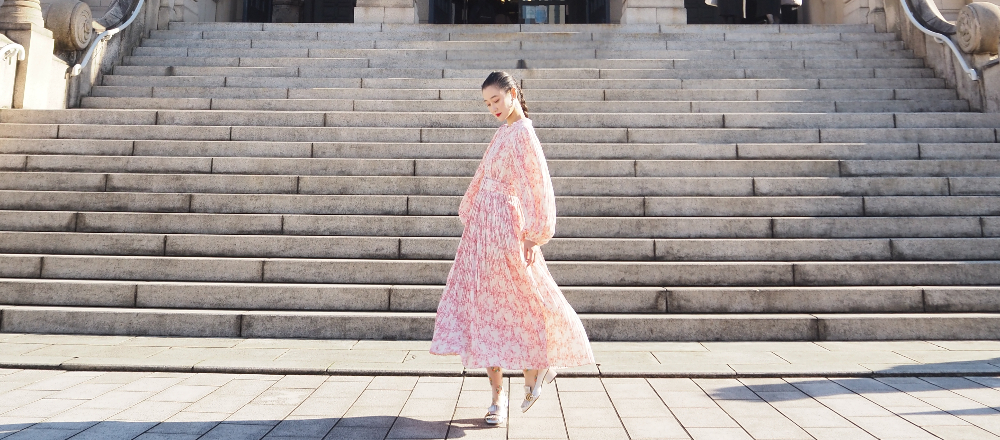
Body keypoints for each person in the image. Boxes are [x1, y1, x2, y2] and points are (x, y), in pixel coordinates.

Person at [428, 71, 595, 426]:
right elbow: (483, 175)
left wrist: (535, 234)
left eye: (496, 100)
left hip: (505, 225)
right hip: (482, 229)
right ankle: (497, 398)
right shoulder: (504, 131)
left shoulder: (524, 133)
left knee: (521, 299)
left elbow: (538, 185)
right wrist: (472, 211)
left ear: (513, 93)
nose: (492, 108)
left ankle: (537, 364)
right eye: (487, 103)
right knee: (485, 307)